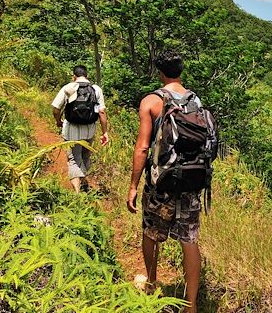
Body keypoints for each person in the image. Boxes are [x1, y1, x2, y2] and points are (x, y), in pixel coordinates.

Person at [127, 51, 204, 312]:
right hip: (191, 182)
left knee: (151, 232)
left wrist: (134, 186)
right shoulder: (196, 101)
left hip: (162, 183)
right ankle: (191, 305)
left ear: (159, 72)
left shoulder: (151, 101)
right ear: (181, 70)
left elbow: (142, 148)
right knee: (190, 240)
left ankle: (150, 283)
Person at [52, 65, 109, 193]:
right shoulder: (96, 89)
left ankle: (77, 193)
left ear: (74, 76)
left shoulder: (68, 88)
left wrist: (58, 121)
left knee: (73, 159)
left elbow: (56, 109)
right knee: (85, 156)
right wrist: (105, 132)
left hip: (72, 130)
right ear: (87, 76)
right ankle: (83, 183)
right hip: (90, 130)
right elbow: (102, 112)